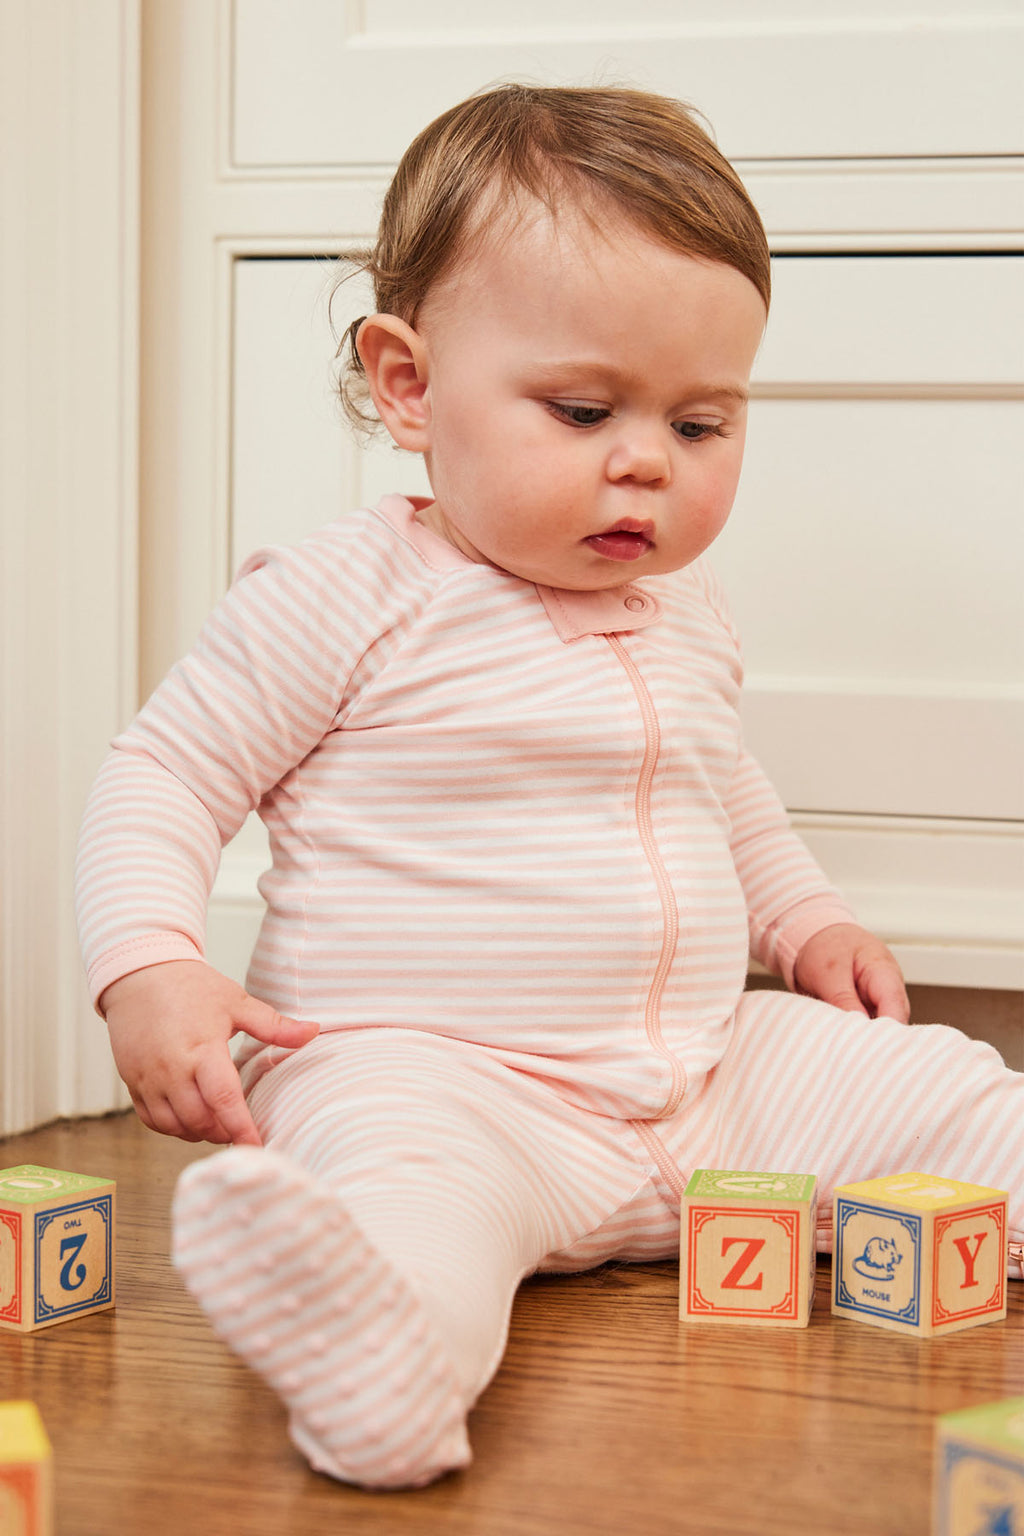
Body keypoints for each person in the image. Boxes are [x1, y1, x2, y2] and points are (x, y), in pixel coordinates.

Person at [75, 84, 1022, 1491]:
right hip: (435, 1075)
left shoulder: (687, 617)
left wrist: (807, 921)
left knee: (940, 1088)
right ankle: (380, 1355)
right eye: (583, 409)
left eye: (702, 426)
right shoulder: (350, 594)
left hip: (707, 1084)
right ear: (408, 384)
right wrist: (148, 963)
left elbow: (725, 792)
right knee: (406, 1203)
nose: (645, 460)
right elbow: (166, 768)